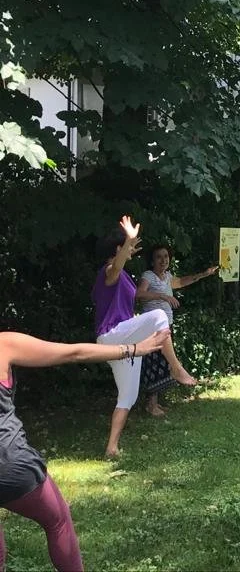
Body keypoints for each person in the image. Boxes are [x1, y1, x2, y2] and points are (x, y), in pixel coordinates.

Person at [0, 329, 170, 572]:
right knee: (58, 522)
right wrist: (133, 349)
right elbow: (74, 353)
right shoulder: (4, 344)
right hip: (11, 464)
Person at [92, 216, 196, 458]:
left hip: (124, 339)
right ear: (117, 250)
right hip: (112, 335)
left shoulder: (125, 276)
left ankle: (111, 447)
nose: (133, 251)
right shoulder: (108, 271)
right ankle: (176, 368)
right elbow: (115, 267)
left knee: (128, 395)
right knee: (160, 315)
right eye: (127, 247)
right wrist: (128, 239)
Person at [135, 244, 218, 416]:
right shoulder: (148, 276)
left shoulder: (167, 277)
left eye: (166, 256)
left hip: (166, 326)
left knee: (162, 363)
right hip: (152, 328)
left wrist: (204, 274)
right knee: (153, 362)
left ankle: (154, 403)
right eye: (159, 257)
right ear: (152, 260)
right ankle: (151, 405)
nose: (163, 260)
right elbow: (139, 294)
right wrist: (163, 296)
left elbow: (182, 281)